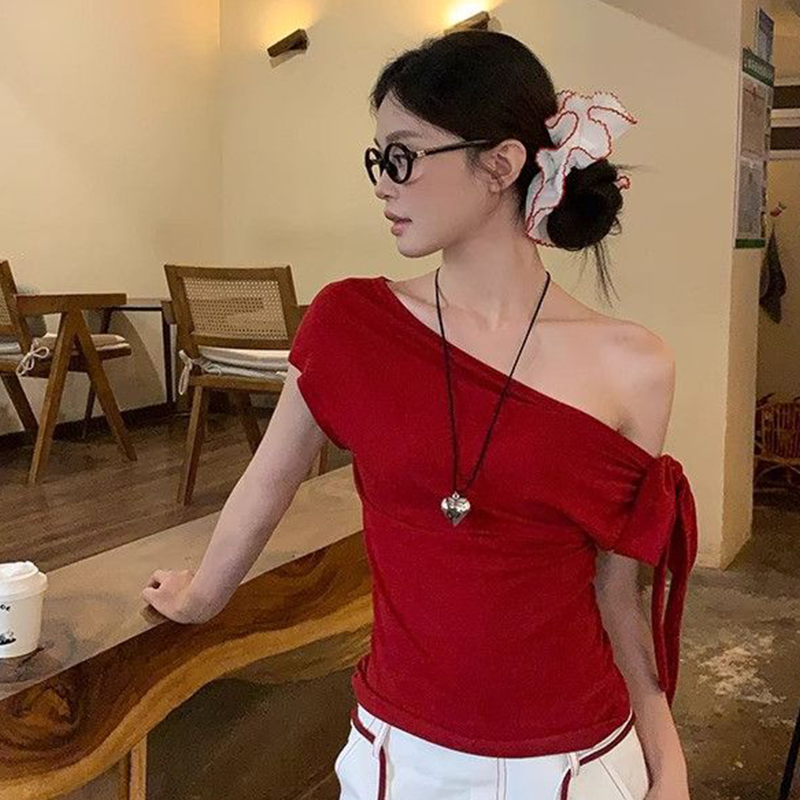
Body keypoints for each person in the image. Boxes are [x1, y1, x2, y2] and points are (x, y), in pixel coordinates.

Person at [142, 30, 698, 800]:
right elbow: (267, 482)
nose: (383, 183)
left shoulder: (636, 366)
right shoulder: (350, 325)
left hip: (579, 764)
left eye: (402, 157)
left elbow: (617, 591)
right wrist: (203, 594)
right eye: (377, 159)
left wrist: (667, 759)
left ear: (500, 165)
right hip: (399, 758)